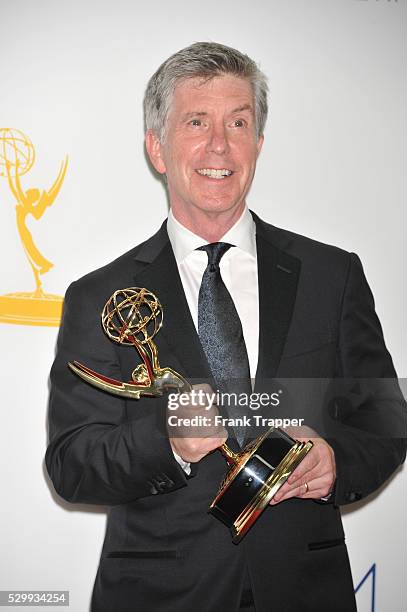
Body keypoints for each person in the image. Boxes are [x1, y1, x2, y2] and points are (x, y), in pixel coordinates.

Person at [46, 42, 406, 612]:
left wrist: (336, 461)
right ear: (156, 148)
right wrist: (169, 443)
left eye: (238, 122)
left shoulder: (332, 274)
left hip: (306, 590)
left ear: (258, 144)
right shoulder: (98, 296)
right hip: (160, 596)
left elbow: (386, 422)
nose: (220, 145)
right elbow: (71, 462)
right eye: (196, 122)